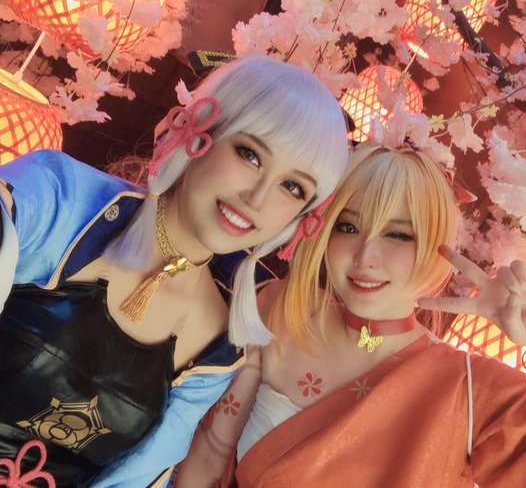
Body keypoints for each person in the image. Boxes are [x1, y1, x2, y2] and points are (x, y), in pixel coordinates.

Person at [178, 144, 526, 488]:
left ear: (438, 247)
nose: (366, 256)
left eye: (399, 235)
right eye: (348, 227)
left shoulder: (467, 389)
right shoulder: (275, 306)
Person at [0, 55, 350, 487]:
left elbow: (135, 479)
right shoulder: (62, 198)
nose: (258, 198)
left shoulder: (220, 348)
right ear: (198, 132)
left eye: (292, 187)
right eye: (250, 155)